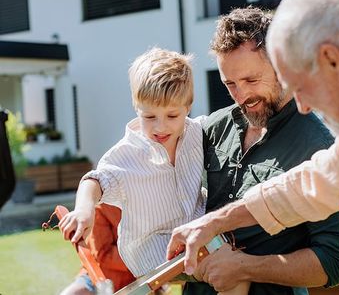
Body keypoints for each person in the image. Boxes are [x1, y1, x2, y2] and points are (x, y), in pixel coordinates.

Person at [167, 0, 339, 294]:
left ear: (332, 59)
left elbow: (333, 257)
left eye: (301, 86)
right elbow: (301, 189)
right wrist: (213, 223)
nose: (302, 106)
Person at [179, 7, 339, 295]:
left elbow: (334, 261)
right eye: (229, 84)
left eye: (251, 81)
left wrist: (245, 267)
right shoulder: (213, 127)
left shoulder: (320, 146)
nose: (241, 96)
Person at [59, 48, 247, 295]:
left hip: (192, 235)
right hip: (152, 249)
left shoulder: (196, 132)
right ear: (136, 107)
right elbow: (94, 180)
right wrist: (84, 210)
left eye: (172, 115)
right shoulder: (126, 154)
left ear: (188, 106)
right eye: (149, 116)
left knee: (238, 265)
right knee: (231, 274)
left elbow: (229, 122)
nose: (160, 126)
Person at [60, 203, 135, 294]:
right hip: (101, 276)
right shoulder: (100, 205)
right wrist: (140, 256)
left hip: (141, 276)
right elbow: (104, 253)